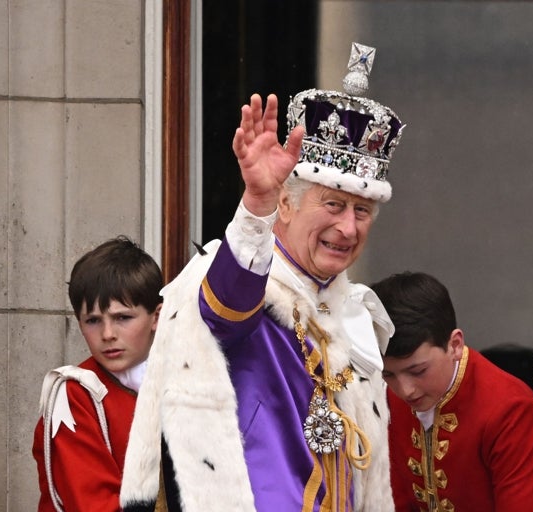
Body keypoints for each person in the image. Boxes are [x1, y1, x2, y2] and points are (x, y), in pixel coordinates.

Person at [120, 43, 401, 511]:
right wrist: (255, 208)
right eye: (333, 205)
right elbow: (225, 308)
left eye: (362, 211)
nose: (348, 228)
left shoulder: (354, 313)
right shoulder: (245, 279)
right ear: (286, 203)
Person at [372, 271, 533, 511]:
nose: (405, 390)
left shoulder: (511, 413)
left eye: (418, 371)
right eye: (388, 375)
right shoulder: (389, 398)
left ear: (455, 345)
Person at [32, 236, 163, 512]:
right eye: (93, 320)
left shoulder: (186, 384)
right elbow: (93, 506)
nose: (107, 334)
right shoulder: (74, 396)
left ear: (157, 317)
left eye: (122, 317)